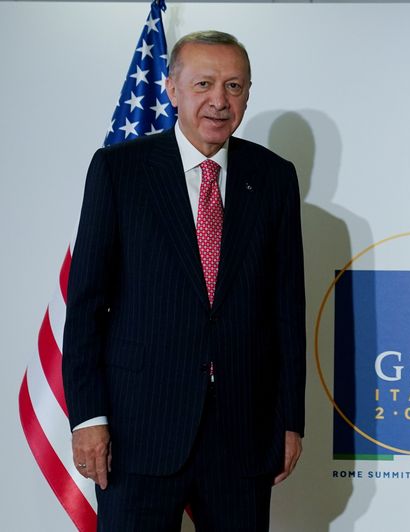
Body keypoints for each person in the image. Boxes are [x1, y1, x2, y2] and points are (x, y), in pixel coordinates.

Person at [62, 31, 306, 530]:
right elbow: (85, 306)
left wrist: (289, 420)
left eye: (234, 86)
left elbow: (286, 310)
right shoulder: (119, 171)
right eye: (204, 84)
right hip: (137, 434)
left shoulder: (274, 177)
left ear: (248, 94)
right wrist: (88, 417)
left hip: (243, 433)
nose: (219, 100)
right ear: (172, 89)